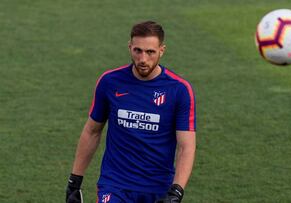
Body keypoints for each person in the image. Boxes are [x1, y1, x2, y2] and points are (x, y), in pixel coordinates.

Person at [66, 21, 196, 203]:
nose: (143, 59)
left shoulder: (179, 90)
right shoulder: (110, 82)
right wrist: (74, 181)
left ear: (162, 50)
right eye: (138, 51)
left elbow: (186, 146)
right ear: (130, 48)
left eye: (150, 52)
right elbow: (92, 131)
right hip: (115, 185)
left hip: (157, 188)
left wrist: (176, 191)